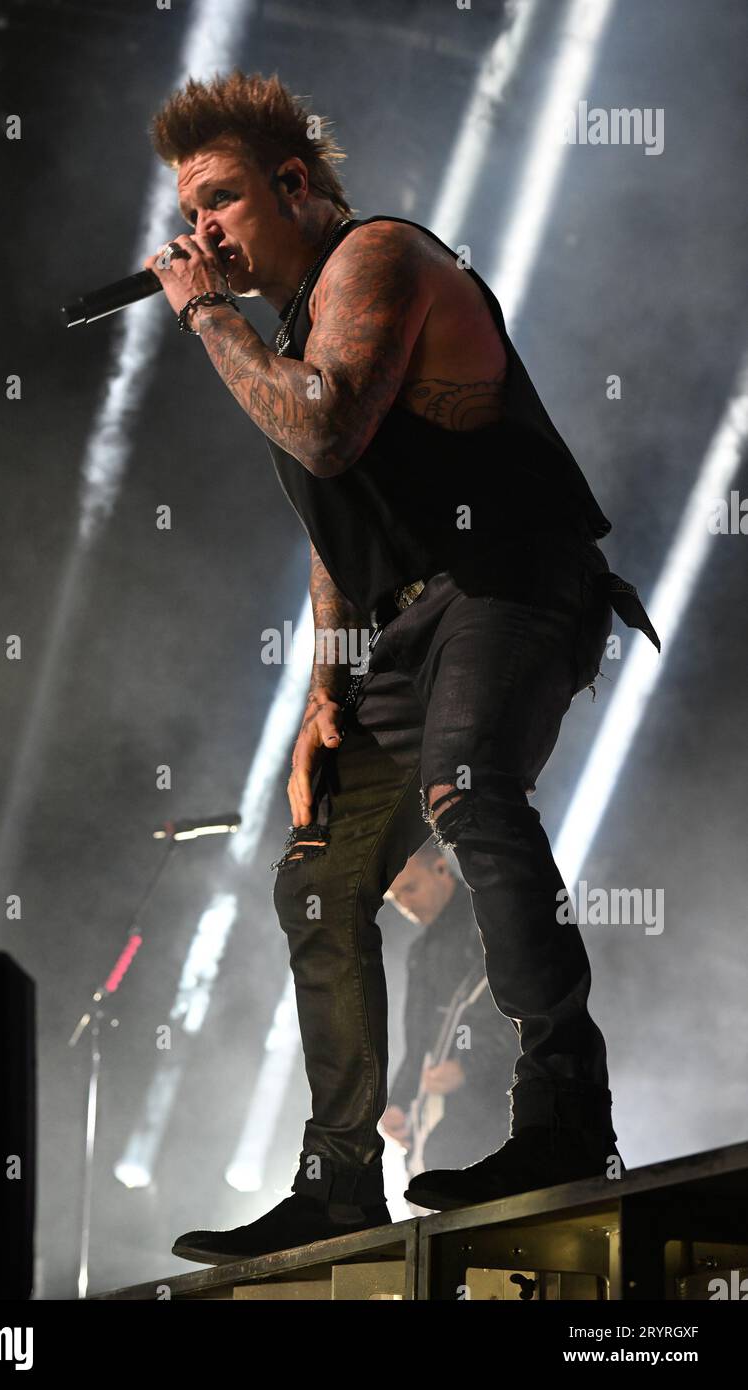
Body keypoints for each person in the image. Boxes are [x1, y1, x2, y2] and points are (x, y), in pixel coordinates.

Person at [140, 70, 659, 1265]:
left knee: (469, 784)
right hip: (409, 617)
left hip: (516, 579)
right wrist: (324, 691)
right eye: (190, 210)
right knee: (313, 873)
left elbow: (324, 426)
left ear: (294, 183)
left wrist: (202, 315)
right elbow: (343, 519)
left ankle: (563, 1113)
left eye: (220, 199)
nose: (201, 232)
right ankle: (336, 1179)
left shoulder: (375, 256)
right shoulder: (292, 328)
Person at [381, 842, 518, 1184]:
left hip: (496, 1112)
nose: (405, 904)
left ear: (441, 869)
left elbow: (522, 1018)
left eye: (410, 889)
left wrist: (468, 1066)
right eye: (395, 898)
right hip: (440, 1125)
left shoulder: (485, 923)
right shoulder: (419, 952)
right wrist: (399, 1103)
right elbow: (418, 1044)